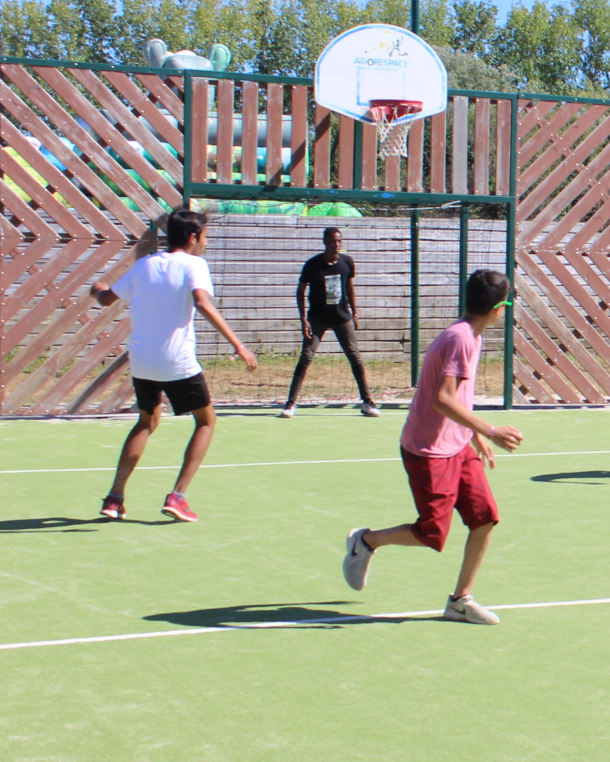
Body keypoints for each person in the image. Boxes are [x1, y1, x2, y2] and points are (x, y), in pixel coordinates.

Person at [340, 269, 524, 625]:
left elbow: (460, 399)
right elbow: (443, 399)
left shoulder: (472, 333)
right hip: (427, 450)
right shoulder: (461, 339)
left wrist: (476, 436)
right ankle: (366, 541)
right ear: (500, 307)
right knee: (432, 533)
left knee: (484, 518)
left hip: (457, 446)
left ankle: (460, 600)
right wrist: (491, 429)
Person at [89, 209, 258, 523]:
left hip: (141, 362)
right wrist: (239, 344)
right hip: (176, 362)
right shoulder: (195, 264)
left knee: (146, 422)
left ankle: (114, 497)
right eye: (205, 237)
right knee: (206, 421)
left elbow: (106, 299)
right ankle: (178, 497)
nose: (205, 243)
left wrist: (97, 288)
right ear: (193, 237)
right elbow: (203, 303)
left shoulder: (144, 264)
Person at [280, 226, 378, 418]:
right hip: (317, 318)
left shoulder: (347, 262)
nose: (337, 244)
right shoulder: (312, 265)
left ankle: (367, 402)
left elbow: (349, 287)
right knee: (306, 356)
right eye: (333, 241)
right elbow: (300, 291)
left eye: (339, 241)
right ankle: (290, 403)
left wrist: (355, 313)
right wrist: (303, 319)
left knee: (355, 357)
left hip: (342, 318)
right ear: (325, 242)